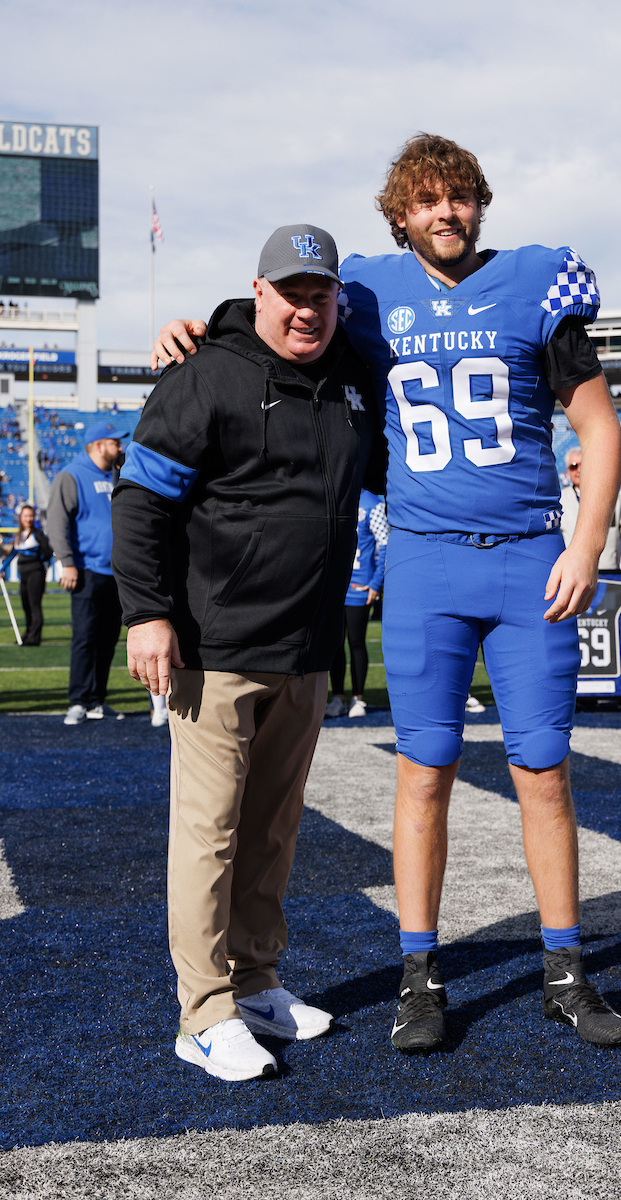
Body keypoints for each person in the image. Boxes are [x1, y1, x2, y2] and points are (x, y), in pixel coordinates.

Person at [153, 135, 621, 1054]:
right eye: (426, 201)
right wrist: (201, 323)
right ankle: (422, 975)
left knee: (545, 772)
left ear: (479, 204)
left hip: (529, 556)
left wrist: (587, 539)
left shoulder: (538, 282)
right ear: (400, 214)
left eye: (459, 198)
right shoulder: (369, 291)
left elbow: (598, 425)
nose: (444, 213)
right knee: (423, 775)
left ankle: (567, 972)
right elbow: (293, 308)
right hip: (421, 562)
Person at [114, 225, 384, 1083]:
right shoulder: (204, 372)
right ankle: (202, 1012)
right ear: (258, 292)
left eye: (322, 292)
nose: (308, 307)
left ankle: (257, 981)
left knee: (273, 830)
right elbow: (141, 501)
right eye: (292, 291)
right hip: (216, 648)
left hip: (306, 647)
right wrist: (147, 614)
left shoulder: (352, 382)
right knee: (210, 835)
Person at [47, 421, 129, 725]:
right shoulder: (71, 475)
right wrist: (66, 561)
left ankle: (97, 699)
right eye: (114, 442)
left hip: (115, 572)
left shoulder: (117, 473)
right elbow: (57, 521)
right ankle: (78, 700)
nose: (120, 447)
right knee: (84, 637)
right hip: (86, 569)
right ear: (98, 445)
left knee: (108, 639)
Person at [325, 488, 389, 719]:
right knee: (334, 644)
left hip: (359, 586)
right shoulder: (334, 494)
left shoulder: (372, 503)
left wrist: (375, 583)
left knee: (356, 642)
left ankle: (358, 698)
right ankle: (337, 698)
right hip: (334, 586)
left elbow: (385, 544)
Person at [560, 448, 621, 577]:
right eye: (574, 466)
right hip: (572, 576)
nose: (579, 470)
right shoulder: (560, 500)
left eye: (583, 464)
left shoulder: (613, 494)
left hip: (608, 575)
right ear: (567, 471)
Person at [2, 505, 52, 645]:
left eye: (30, 516)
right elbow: (12, 555)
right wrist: (1, 570)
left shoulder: (38, 534)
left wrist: (40, 562)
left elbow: (47, 552)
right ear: (21, 518)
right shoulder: (19, 535)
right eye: (25, 516)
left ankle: (34, 638)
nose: (28, 519)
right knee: (26, 606)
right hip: (23, 575)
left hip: (36, 573)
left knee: (34, 605)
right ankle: (28, 633)